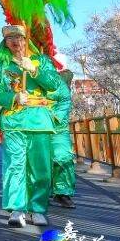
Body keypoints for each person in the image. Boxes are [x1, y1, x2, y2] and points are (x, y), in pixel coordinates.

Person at [0, 24, 68, 228]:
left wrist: (34, 70)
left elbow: (55, 84)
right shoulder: (0, 65)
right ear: (5, 43)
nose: (15, 41)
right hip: (14, 121)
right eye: (10, 38)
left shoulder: (41, 60)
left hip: (39, 121)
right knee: (14, 165)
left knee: (40, 167)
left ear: (26, 40)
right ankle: (17, 208)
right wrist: (13, 97)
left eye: (19, 38)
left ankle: (37, 208)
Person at [51, 70, 75, 209]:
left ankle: (62, 193)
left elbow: (63, 107)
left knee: (63, 158)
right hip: (38, 127)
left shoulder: (63, 89)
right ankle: (41, 191)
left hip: (59, 129)